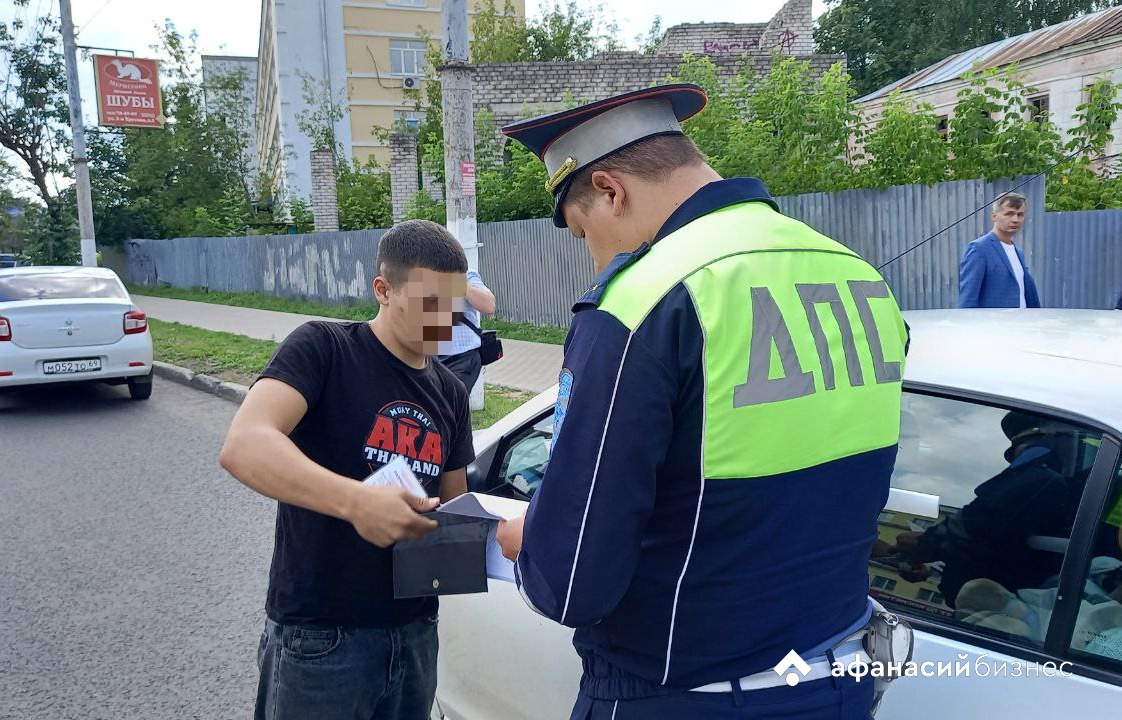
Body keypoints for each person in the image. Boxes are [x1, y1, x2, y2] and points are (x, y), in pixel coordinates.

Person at [495, 84, 909, 720]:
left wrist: (528, 543)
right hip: (837, 681)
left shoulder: (642, 301)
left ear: (610, 190)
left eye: (583, 232)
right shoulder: (858, 276)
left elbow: (575, 581)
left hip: (683, 693)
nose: (593, 254)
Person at [218, 219, 476, 720]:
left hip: (415, 633)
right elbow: (245, 445)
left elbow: (452, 509)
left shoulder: (451, 393)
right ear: (383, 290)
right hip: (322, 635)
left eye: (453, 304)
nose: (444, 318)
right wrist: (356, 501)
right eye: (429, 304)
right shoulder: (324, 348)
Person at [893, 413, 1090, 608]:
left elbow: (975, 525)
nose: (1019, 461)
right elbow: (1002, 550)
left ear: (1049, 440)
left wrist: (924, 544)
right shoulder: (1078, 489)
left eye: (1024, 450)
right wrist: (933, 570)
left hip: (1002, 615)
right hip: (1009, 609)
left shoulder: (1041, 480)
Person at [957, 192, 1041, 308]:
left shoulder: (1018, 253)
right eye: (1009, 214)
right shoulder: (979, 249)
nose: (1015, 219)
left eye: (1020, 214)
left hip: (1022, 323)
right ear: (994, 216)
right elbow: (968, 298)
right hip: (994, 325)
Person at [437, 269, 496, 393]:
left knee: (449, 404)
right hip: (429, 361)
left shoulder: (466, 274)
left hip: (462, 359)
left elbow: (489, 306)